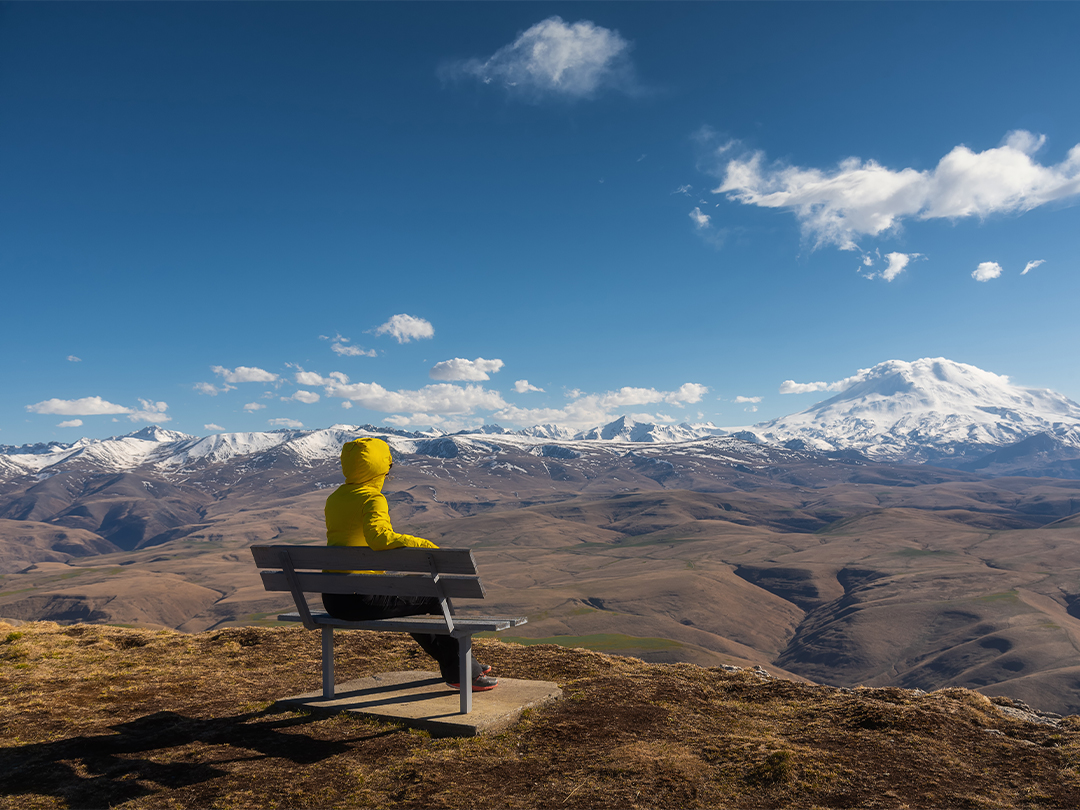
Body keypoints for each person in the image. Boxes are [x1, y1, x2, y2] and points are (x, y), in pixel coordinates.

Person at [321, 436, 497, 691]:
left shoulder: (335, 498)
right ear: (380, 469)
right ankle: (462, 670)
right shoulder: (372, 498)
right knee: (433, 594)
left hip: (334, 599)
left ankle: (462, 665)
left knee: (414, 598)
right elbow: (379, 537)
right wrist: (422, 544)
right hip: (360, 599)